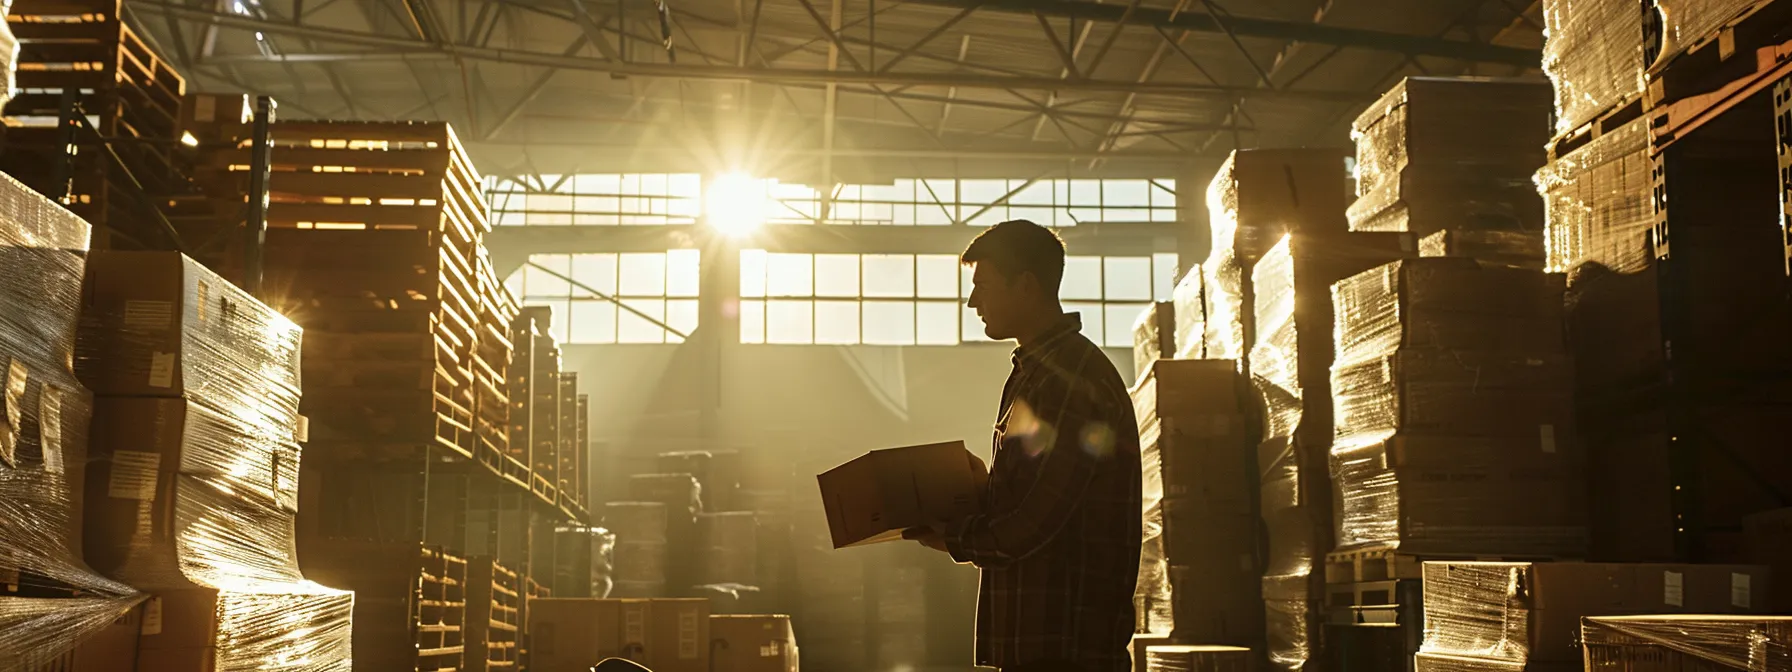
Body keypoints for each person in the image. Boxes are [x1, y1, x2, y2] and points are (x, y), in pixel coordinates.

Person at [905, 219, 1143, 672]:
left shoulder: (1070, 380)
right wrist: (979, 488)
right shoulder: (1031, 375)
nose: (973, 300)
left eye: (985, 285)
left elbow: (1035, 523)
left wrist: (952, 535)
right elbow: (1032, 495)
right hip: (1037, 643)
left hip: (1065, 648)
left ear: (1027, 285)